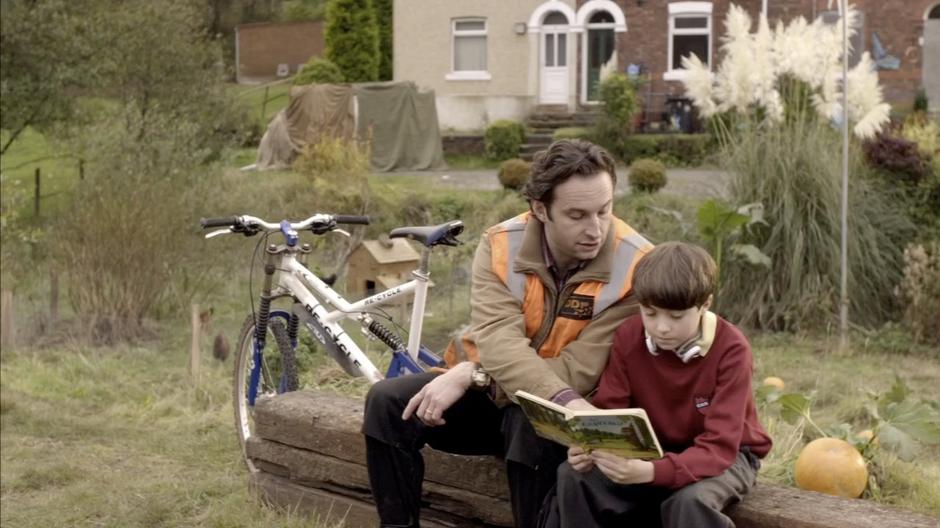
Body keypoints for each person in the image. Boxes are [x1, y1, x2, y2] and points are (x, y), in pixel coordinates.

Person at [361, 139, 654, 528]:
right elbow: (499, 342)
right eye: (577, 215)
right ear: (539, 209)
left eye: (605, 210)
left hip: (568, 408)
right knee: (386, 402)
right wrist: (472, 375)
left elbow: (582, 368)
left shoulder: (637, 265)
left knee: (530, 419)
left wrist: (474, 374)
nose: (595, 229)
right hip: (492, 391)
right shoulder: (501, 245)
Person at [540, 242, 773, 528]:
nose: (662, 327)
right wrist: (591, 447)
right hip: (651, 447)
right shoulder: (629, 335)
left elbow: (720, 447)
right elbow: (610, 410)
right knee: (574, 476)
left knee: (689, 501)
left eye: (676, 317)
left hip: (727, 455)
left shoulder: (732, 349)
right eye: (650, 314)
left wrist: (650, 472)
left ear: (705, 305)